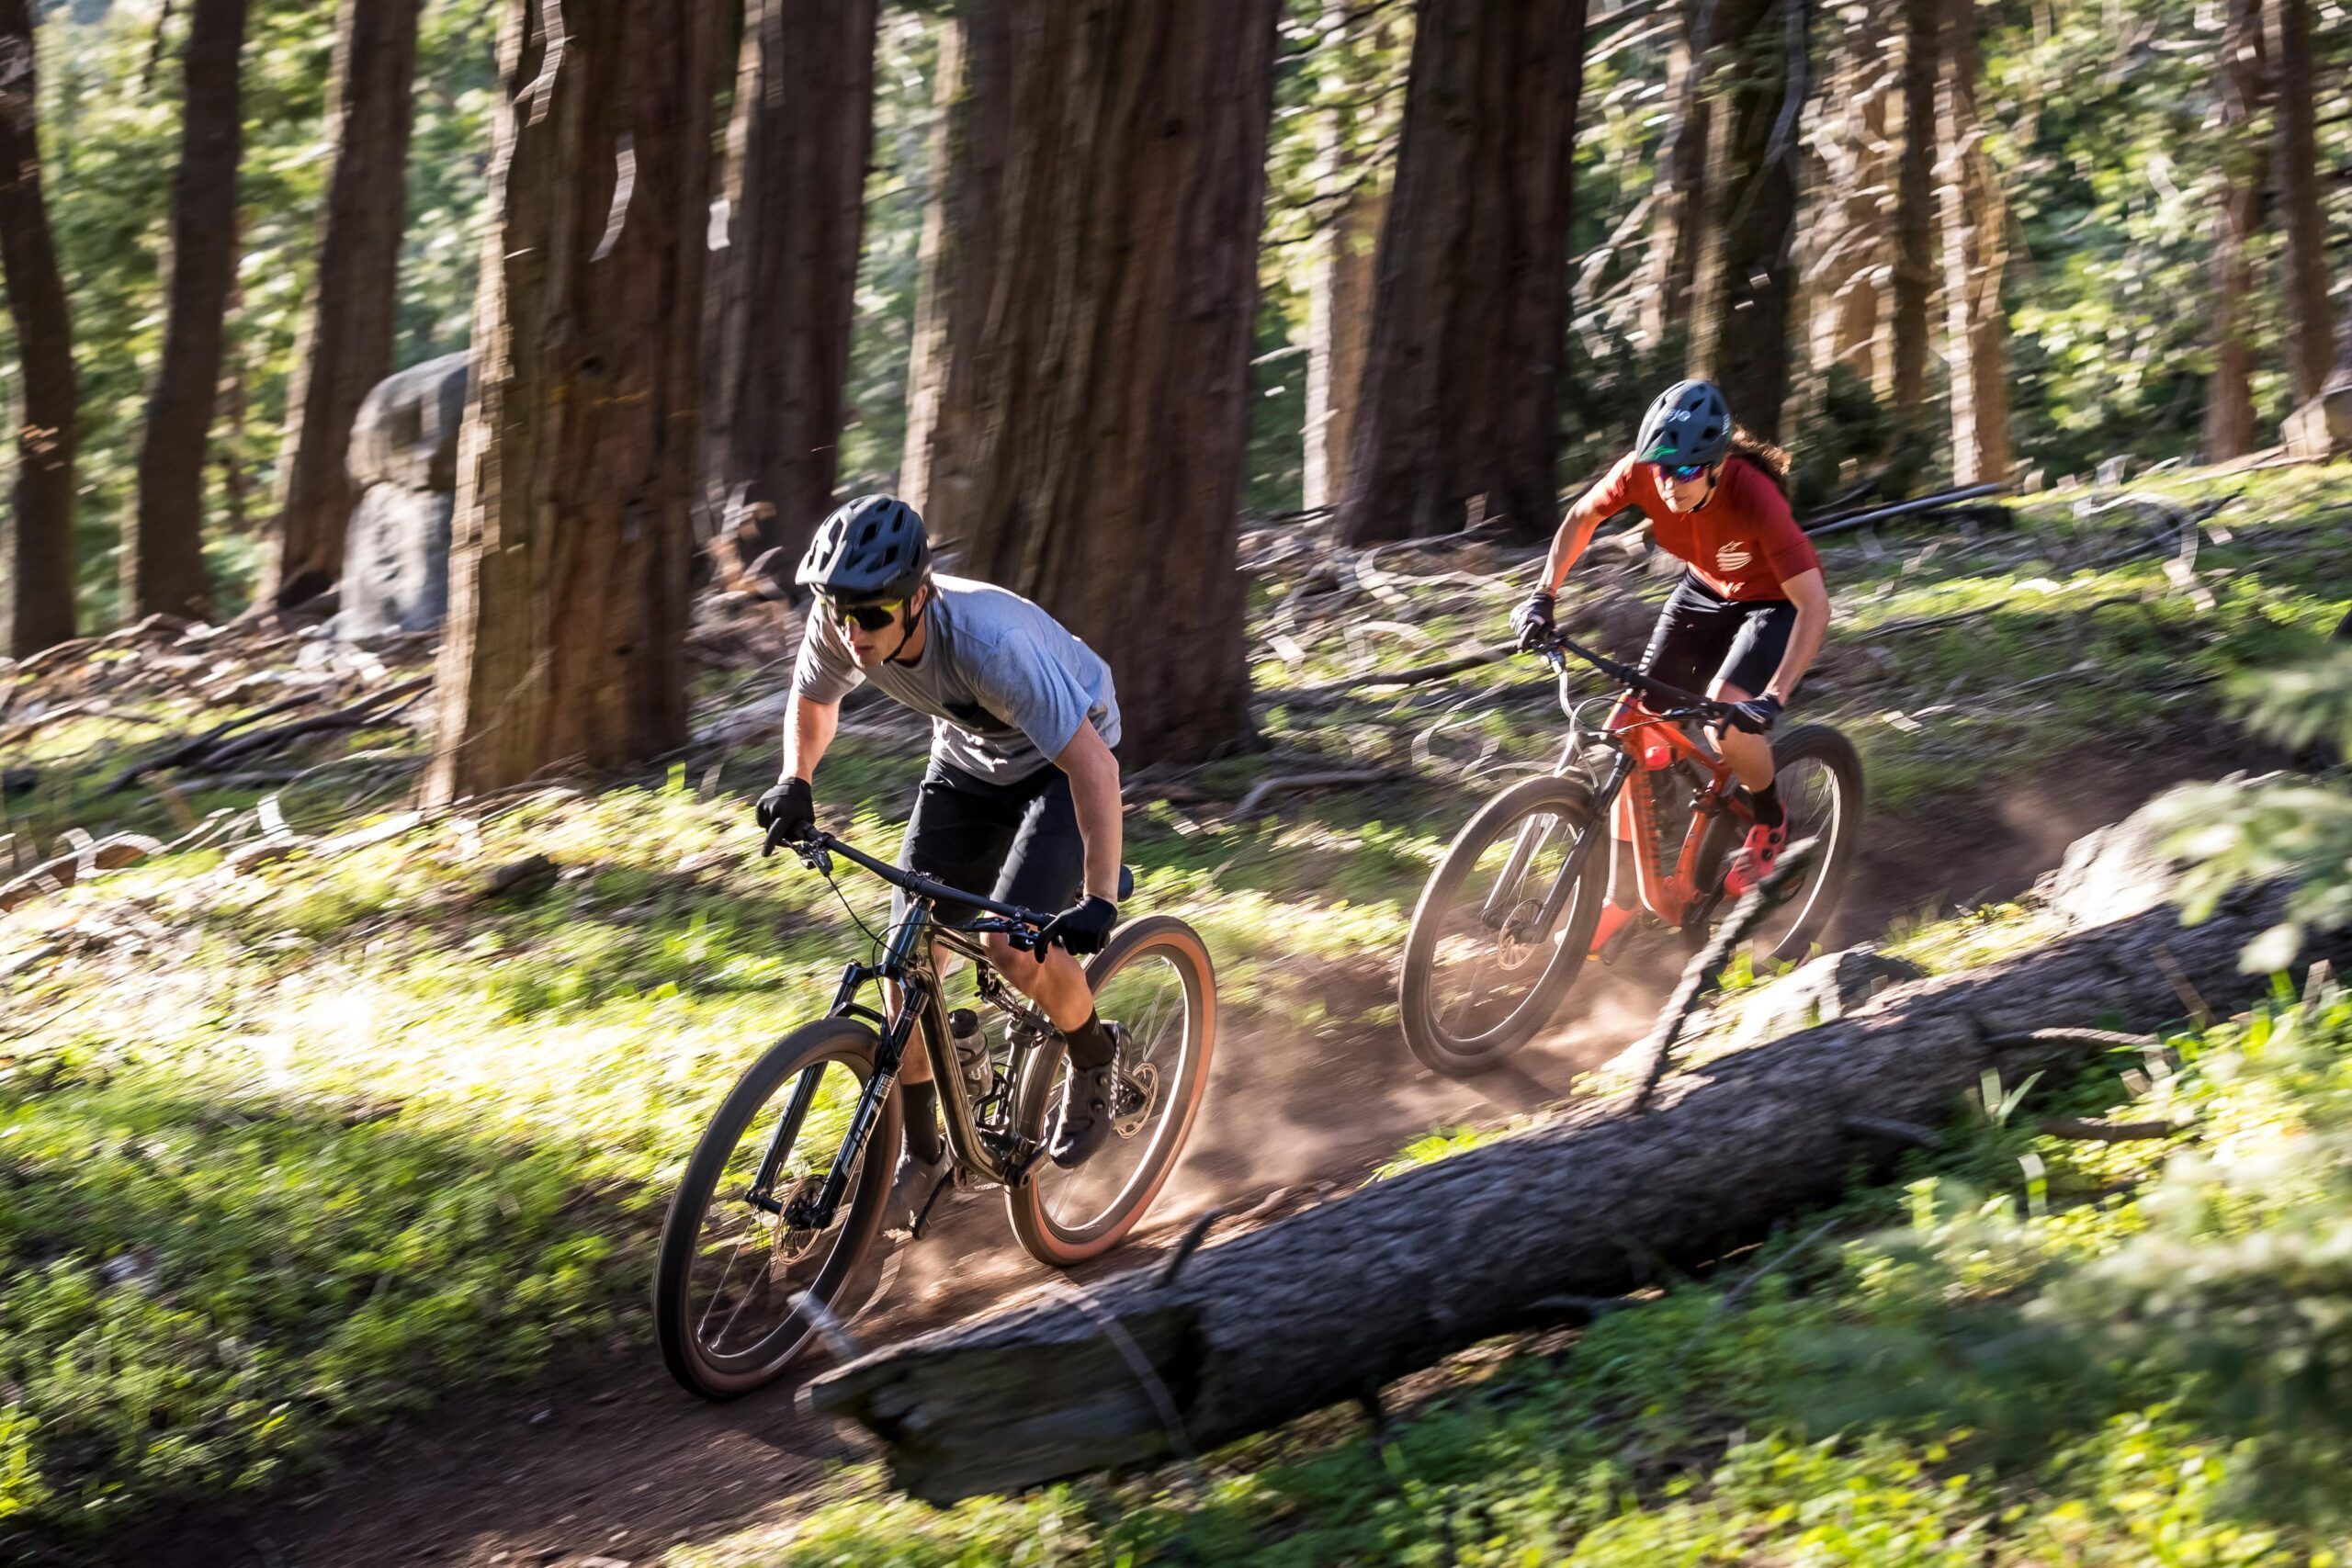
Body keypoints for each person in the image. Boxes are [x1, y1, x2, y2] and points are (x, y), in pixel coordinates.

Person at [756, 494, 1129, 1230]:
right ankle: (924, 1159)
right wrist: (796, 781)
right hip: (968, 763)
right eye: (839, 612)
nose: (851, 632)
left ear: (918, 597)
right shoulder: (843, 620)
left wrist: (1098, 898)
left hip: (1062, 762)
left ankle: (1092, 1054)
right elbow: (814, 698)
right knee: (904, 966)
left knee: (1010, 945)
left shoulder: (988, 647)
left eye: (871, 617)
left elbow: (1094, 768)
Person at [1510, 379, 1833, 954]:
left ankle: (1769, 819)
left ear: (1714, 466)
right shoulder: (1643, 473)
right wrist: (1543, 595)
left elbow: (1814, 605)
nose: (1668, 482)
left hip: (1773, 603)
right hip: (1705, 592)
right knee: (1626, 730)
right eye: (1661, 467)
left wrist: (1774, 698)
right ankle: (1623, 897)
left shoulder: (1755, 497)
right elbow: (1581, 518)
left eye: (1685, 472)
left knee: (1728, 724)